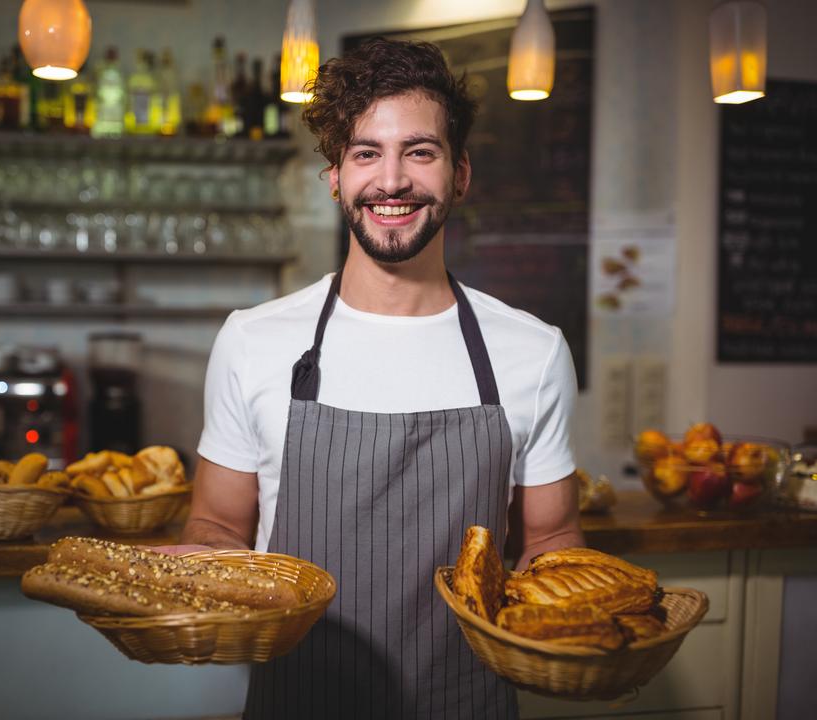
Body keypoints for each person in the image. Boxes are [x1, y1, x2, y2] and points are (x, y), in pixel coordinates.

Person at [169, 38, 584, 719]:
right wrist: (192, 570)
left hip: (467, 701)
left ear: (460, 174)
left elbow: (552, 542)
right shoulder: (254, 340)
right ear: (335, 177)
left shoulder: (532, 353)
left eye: (420, 152)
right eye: (366, 153)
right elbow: (217, 521)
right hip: (297, 701)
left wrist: (578, 622)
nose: (391, 181)